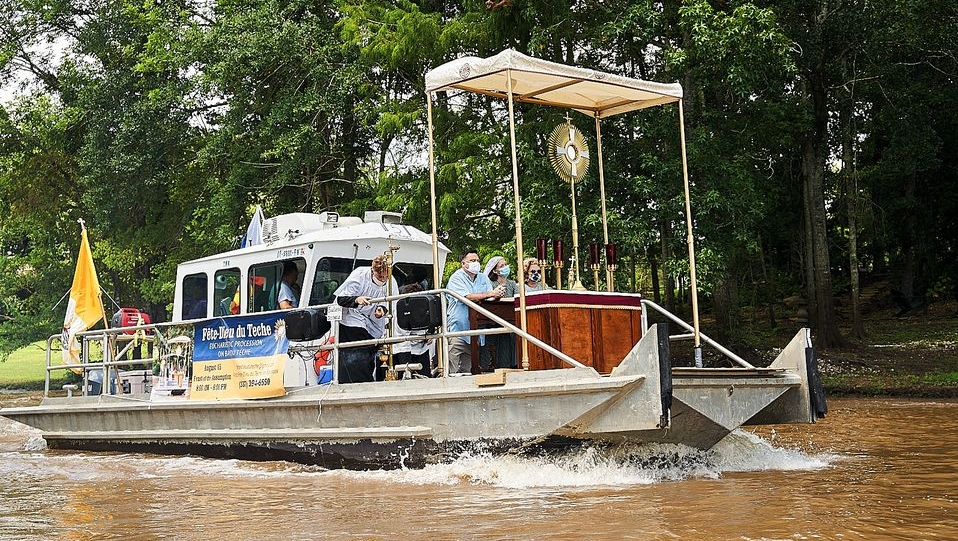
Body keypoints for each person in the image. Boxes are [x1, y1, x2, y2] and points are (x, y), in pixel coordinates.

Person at [333, 255, 398, 383]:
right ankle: (355, 381)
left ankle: (367, 379)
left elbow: (392, 303)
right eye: (380, 277)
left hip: (373, 322)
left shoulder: (391, 281)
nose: (383, 280)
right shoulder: (360, 275)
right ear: (373, 271)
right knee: (355, 353)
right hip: (353, 317)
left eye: (386, 277)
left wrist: (382, 309)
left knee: (369, 352)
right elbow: (342, 298)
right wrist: (357, 299)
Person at [445, 249, 506, 375]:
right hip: (459, 330)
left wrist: (497, 294)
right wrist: (491, 293)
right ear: (463, 264)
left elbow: (489, 297)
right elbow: (467, 297)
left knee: (468, 370)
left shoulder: (483, 277)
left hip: (476, 331)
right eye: (472, 261)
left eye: (477, 260)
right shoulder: (456, 278)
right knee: (452, 369)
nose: (476, 263)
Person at [390, 283, 434, 378]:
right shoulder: (400, 311)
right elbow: (401, 339)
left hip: (422, 348)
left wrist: (429, 333)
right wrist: (406, 365)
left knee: (425, 378)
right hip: (402, 349)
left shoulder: (425, 307)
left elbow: (431, 324)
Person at [482, 255, 518, 369]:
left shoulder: (512, 284)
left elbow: (518, 297)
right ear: (495, 270)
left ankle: (507, 365)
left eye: (505, 264)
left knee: (507, 342)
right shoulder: (490, 284)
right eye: (502, 266)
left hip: (509, 320)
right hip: (492, 320)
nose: (505, 267)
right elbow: (488, 297)